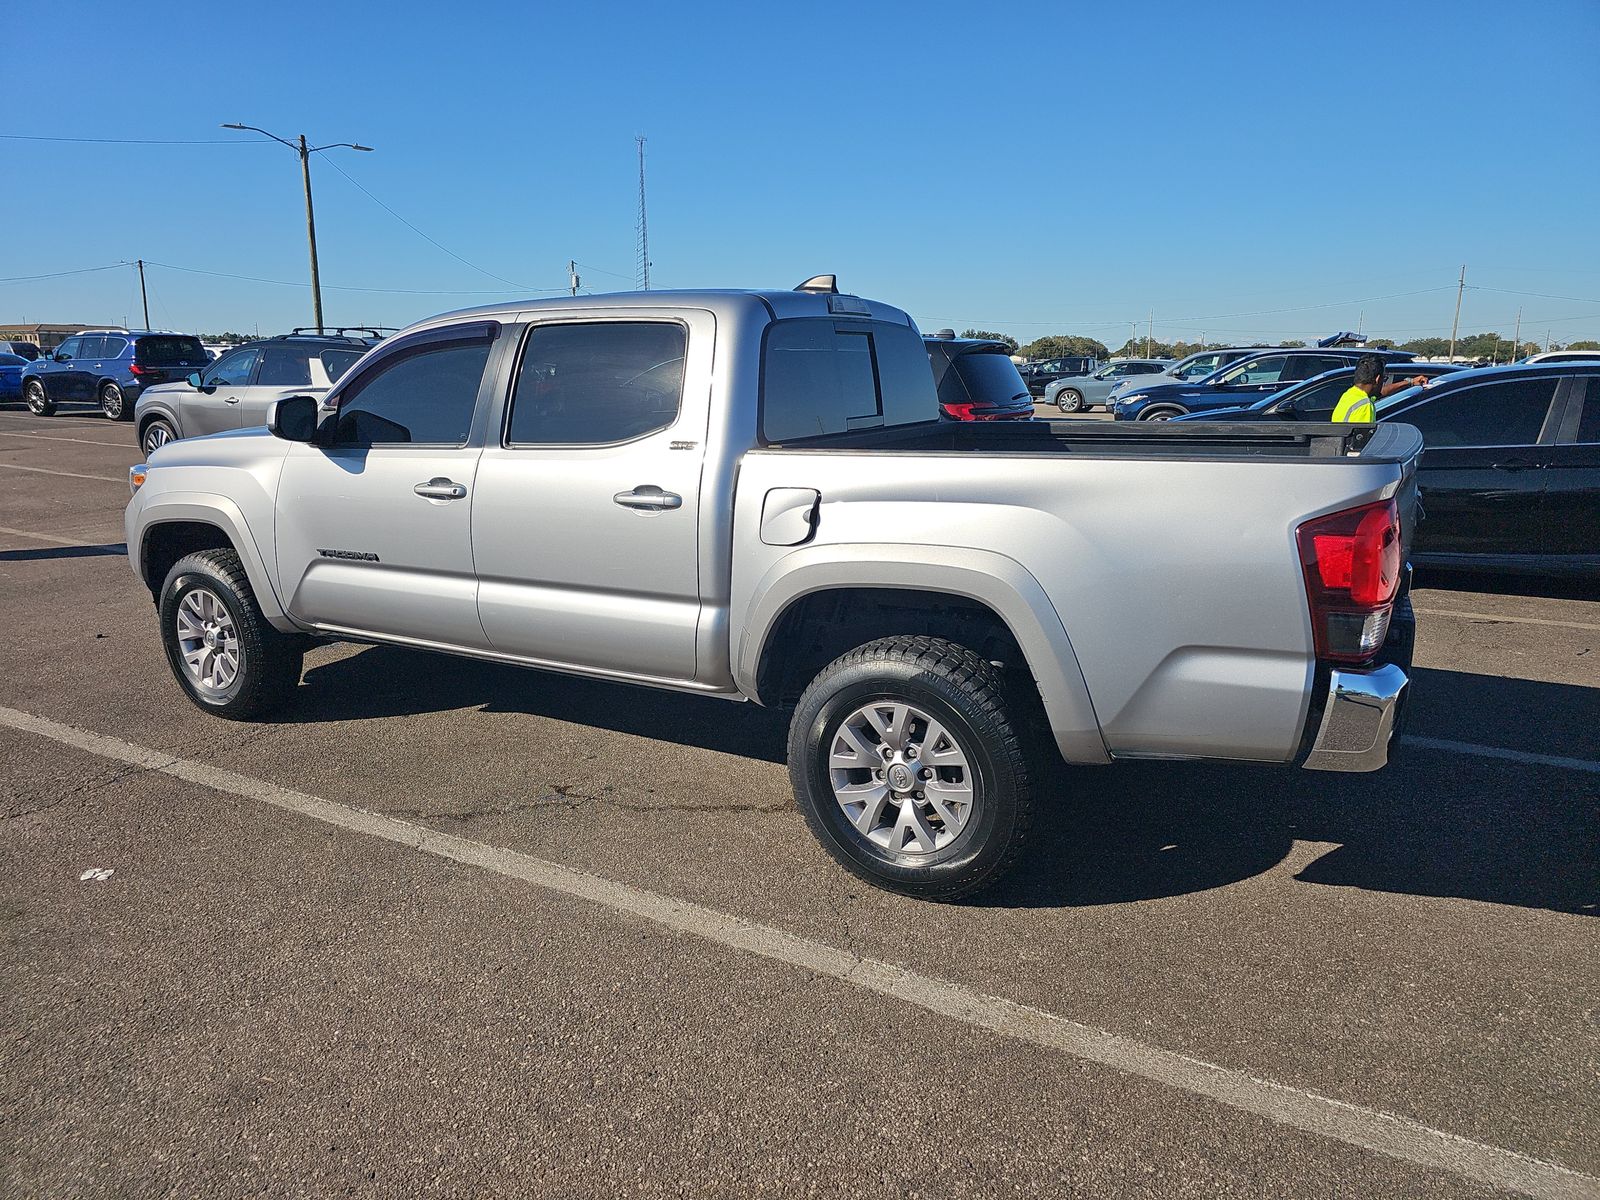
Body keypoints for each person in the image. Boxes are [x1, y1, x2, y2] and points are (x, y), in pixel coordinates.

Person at [1332, 355, 1428, 422]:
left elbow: (1381, 392)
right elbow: (1363, 444)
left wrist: (1409, 382)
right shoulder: (1364, 406)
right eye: (1384, 379)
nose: (1383, 382)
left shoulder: (1351, 395)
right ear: (1378, 379)